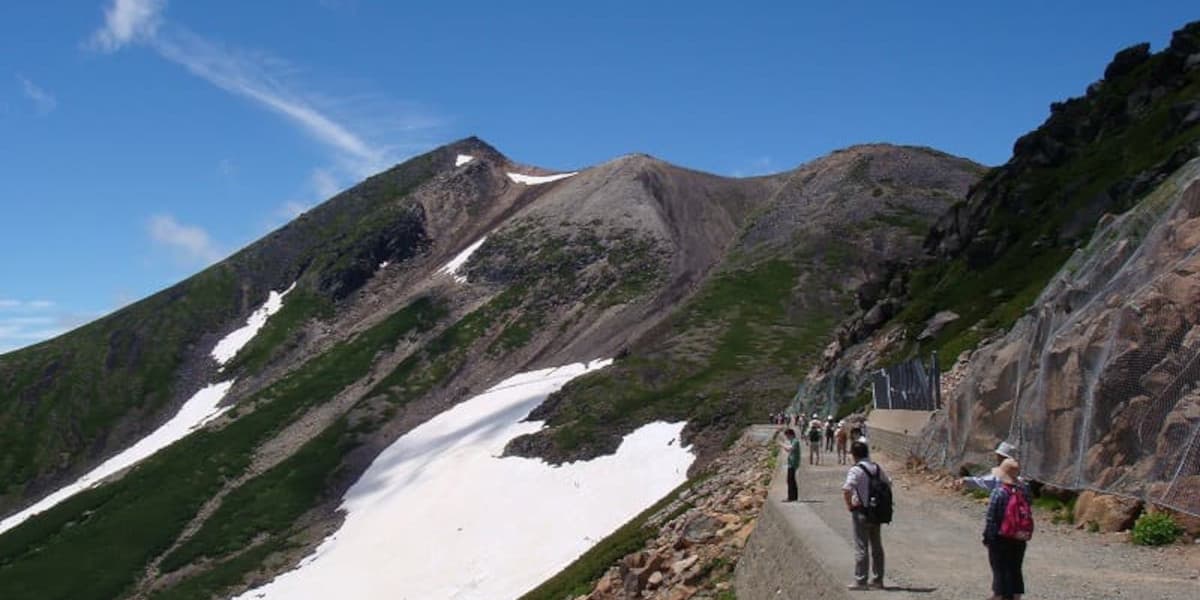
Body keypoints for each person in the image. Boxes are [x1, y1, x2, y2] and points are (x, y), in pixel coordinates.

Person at [843, 440, 890, 590]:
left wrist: (850, 505)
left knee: (861, 546)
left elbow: (847, 489)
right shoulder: (876, 467)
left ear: (854, 455)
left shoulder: (855, 470)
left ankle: (861, 580)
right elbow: (888, 483)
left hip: (861, 511)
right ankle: (878, 580)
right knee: (876, 546)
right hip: (876, 512)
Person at [983, 458, 1031, 600]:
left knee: (1000, 573)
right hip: (1019, 538)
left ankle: (997, 596)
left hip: (1000, 539)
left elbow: (991, 518)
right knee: (1015, 571)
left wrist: (987, 538)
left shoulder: (998, 493)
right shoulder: (1024, 491)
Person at [779, 428, 801, 501]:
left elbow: (790, 449)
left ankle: (791, 497)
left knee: (790, 480)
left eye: (787, 435)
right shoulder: (793, 441)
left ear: (790, 434)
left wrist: (782, 444)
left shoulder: (795, 441)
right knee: (791, 480)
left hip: (793, 463)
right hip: (791, 462)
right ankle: (794, 497)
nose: (787, 437)